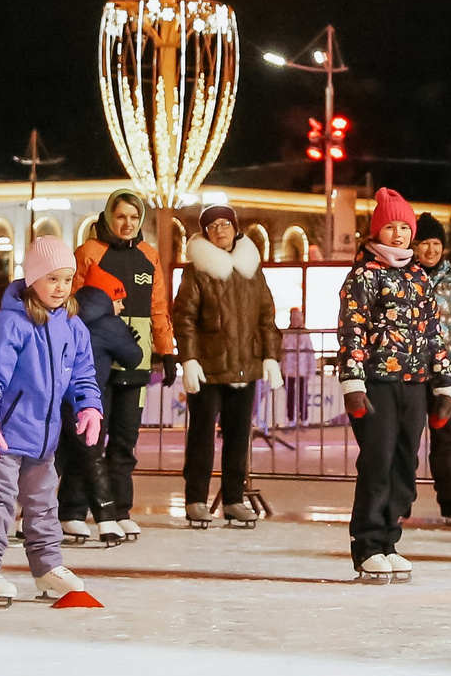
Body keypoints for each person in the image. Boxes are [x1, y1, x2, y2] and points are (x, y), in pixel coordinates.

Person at [0, 236, 101, 605]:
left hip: (44, 437)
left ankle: (47, 568)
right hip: (6, 435)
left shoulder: (72, 326)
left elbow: (83, 373)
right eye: (52, 278)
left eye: (67, 279)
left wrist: (89, 406)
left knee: (43, 505)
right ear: (33, 279)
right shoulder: (10, 323)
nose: (60, 287)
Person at [337, 188, 442, 580]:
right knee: (377, 462)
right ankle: (367, 543)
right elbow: (351, 331)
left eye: (404, 227)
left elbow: (434, 332)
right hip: (377, 382)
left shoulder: (419, 277)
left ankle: (389, 540)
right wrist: (353, 381)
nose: (397, 234)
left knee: (404, 463)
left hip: (413, 383)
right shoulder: (364, 275)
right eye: (390, 227)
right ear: (376, 231)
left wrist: (444, 381)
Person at [173, 201, 283, 528]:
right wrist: (189, 359)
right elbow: (185, 318)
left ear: (236, 228)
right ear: (205, 233)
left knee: (238, 436)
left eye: (225, 224)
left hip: (245, 366)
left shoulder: (251, 270)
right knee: (202, 436)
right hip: (208, 367)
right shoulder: (196, 271)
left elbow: (266, 316)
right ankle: (196, 499)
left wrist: (270, 356)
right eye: (213, 226)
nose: (220, 230)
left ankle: (234, 498)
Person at [75, 187, 173, 540]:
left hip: (136, 361)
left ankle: (120, 509)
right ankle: (72, 509)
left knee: (125, 440)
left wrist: (167, 349)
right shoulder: (89, 252)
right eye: (121, 216)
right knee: (90, 438)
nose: (127, 223)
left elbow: (158, 307)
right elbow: (74, 305)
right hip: (97, 360)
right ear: (107, 217)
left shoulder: (149, 255)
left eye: (134, 217)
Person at [59, 264, 140, 541]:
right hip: (89, 398)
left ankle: (63, 514)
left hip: (59, 398)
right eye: (118, 299)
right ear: (107, 298)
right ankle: (107, 519)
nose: (121, 305)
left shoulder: (67, 315)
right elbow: (133, 357)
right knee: (92, 456)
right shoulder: (110, 323)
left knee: (64, 458)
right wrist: (129, 338)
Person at [415, 212, 451, 523]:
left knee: (446, 439)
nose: (431, 250)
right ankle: (400, 501)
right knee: (406, 439)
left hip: (447, 375)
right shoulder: (406, 277)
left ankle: (450, 499)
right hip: (410, 371)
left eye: (436, 243)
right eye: (425, 243)